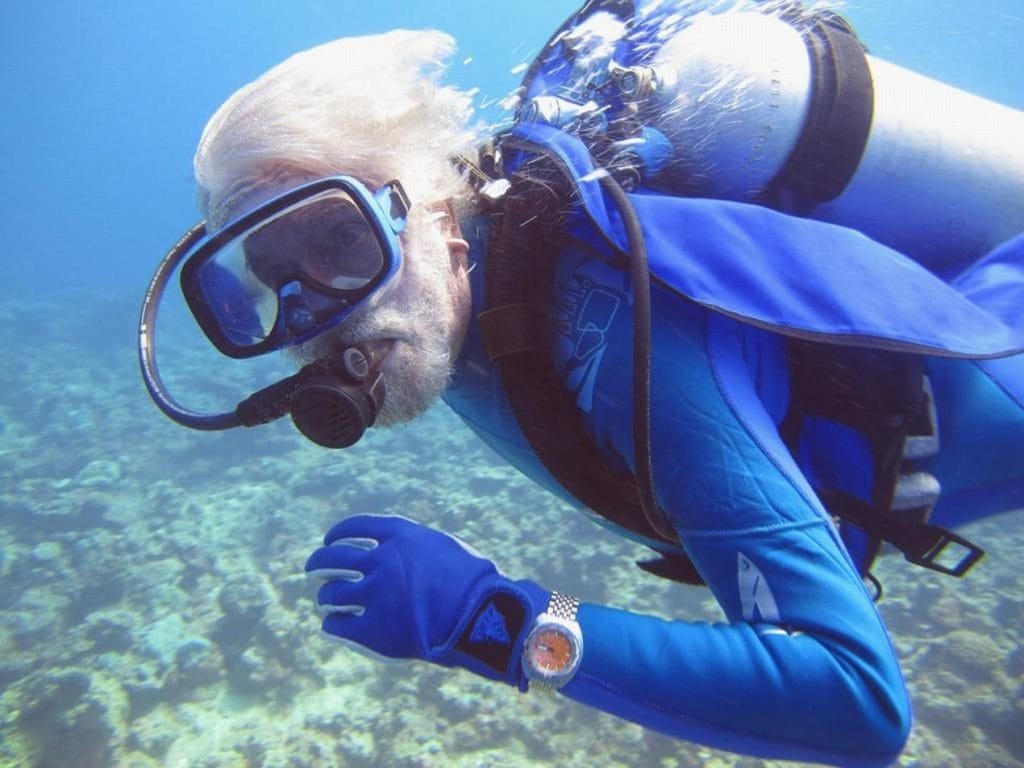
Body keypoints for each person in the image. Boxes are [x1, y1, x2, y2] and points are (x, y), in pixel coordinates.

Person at [138, 1, 1024, 765]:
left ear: (439, 219)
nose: (321, 315)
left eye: (338, 241)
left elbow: (856, 698)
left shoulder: (620, 340)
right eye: (269, 286)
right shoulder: (452, 314)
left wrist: (499, 622)